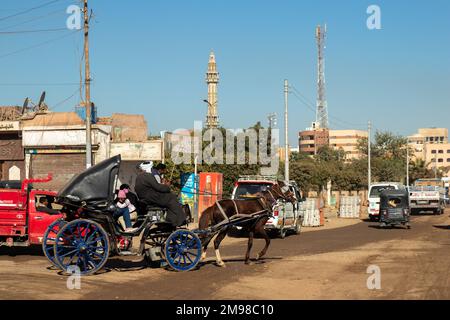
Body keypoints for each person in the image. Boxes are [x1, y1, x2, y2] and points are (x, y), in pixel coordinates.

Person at [135, 161, 186, 227]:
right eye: (152, 168)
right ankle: (176, 221)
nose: (153, 169)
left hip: (147, 198)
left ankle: (171, 220)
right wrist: (167, 187)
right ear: (149, 168)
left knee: (169, 198)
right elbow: (158, 187)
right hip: (152, 198)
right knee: (171, 197)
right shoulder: (148, 176)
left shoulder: (140, 177)